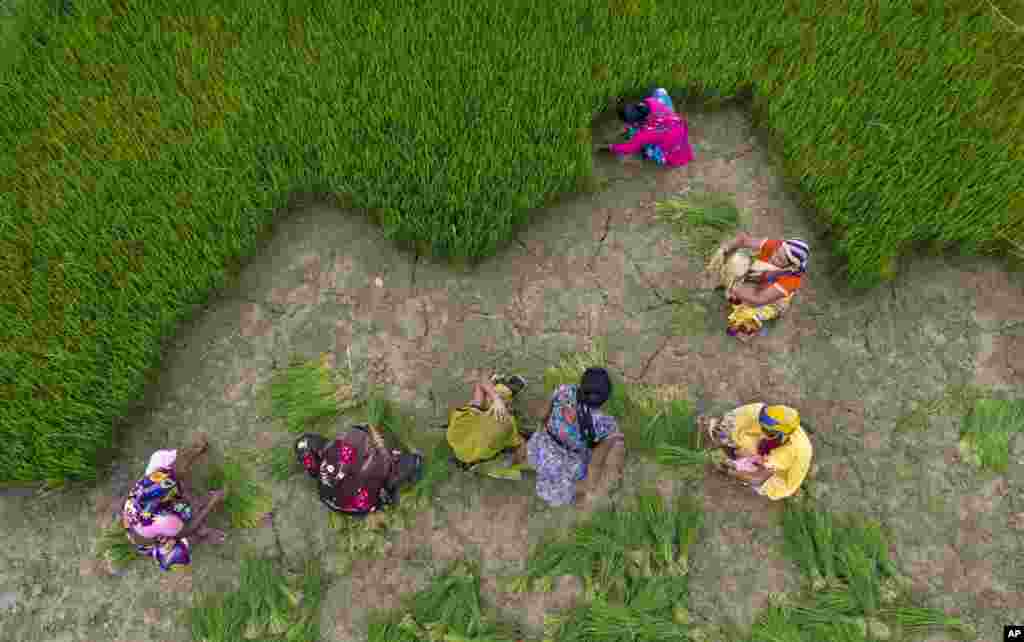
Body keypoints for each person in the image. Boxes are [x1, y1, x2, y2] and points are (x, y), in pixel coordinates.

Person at [120, 433, 226, 571]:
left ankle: (198, 523)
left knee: (160, 458)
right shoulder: (166, 523)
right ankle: (203, 532)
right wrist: (212, 503)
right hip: (155, 525)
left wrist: (194, 451)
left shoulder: (153, 479)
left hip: (144, 524)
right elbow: (189, 529)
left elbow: (177, 471)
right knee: (188, 514)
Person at [526, 367, 626, 507]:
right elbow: (595, 465)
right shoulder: (605, 425)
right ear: (605, 397)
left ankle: (542, 472)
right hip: (566, 465)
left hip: (537, 449)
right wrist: (591, 488)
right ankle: (572, 495)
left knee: (545, 461)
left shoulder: (564, 391)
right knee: (617, 443)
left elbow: (542, 415)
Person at [295, 424, 423, 517]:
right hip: (361, 502)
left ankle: (385, 491)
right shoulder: (336, 455)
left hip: (340, 500)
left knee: (370, 476)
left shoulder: (323, 484)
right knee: (410, 463)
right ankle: (394, 482)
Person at [705, 232, 810, 341]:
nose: (774, 257)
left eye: (779, 259)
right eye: (777, 252)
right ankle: (727, 286)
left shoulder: (791, 280)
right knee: (736, 261)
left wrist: (733, 287)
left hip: (771, 301)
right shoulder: (777, 246)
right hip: (758, 277)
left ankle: (747, 328)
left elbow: (757, 300)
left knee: (748, 311)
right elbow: (743, 239)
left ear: (790, 266)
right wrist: (724, 250)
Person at [698, 403, 812, 500]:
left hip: (774, 472)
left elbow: (764, 479)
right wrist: (717, 426)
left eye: (766, 429)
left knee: (751, 474)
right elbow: (741, 421)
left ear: (781, 433)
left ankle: (735, 468)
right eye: (762, 426)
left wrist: (732, 472)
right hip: (761, 451)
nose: (762, 429)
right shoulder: (761, 413)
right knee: (728, 431)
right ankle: (735, 457)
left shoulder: (799, 451)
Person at [446, 374, 530, 479]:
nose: (509, 408)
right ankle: (503, 388)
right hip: (489, 423)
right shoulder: (453, 432)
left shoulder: (459, 426)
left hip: (487, 422)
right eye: (508, 408)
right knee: (495, 394)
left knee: (493, 396)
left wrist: (496, 400)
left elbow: (481, 380)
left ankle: (501, 388)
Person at [597, 88, 695, 168]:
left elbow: (626, 149)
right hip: (679, 131)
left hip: (675, 158)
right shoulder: (652, 102)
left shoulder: (645, 134)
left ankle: (651, 153)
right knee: (661, 91)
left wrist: (608, 147)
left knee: (638, 141)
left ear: (634, 122)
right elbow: (656, 93)